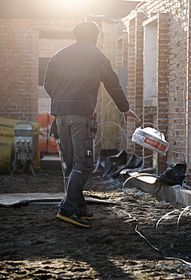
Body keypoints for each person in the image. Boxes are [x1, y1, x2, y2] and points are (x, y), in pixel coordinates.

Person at [44, 21, 140, 228]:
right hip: (81, 116)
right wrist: (124, 108)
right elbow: (112, 83)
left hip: (60, 115)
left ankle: (79, 207)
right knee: (84, 163)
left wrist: (62, 101)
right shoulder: (97, 56)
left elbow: (47, 84)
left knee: (70, 163)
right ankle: (67, 208)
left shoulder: (58, 56)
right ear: (95, 37)